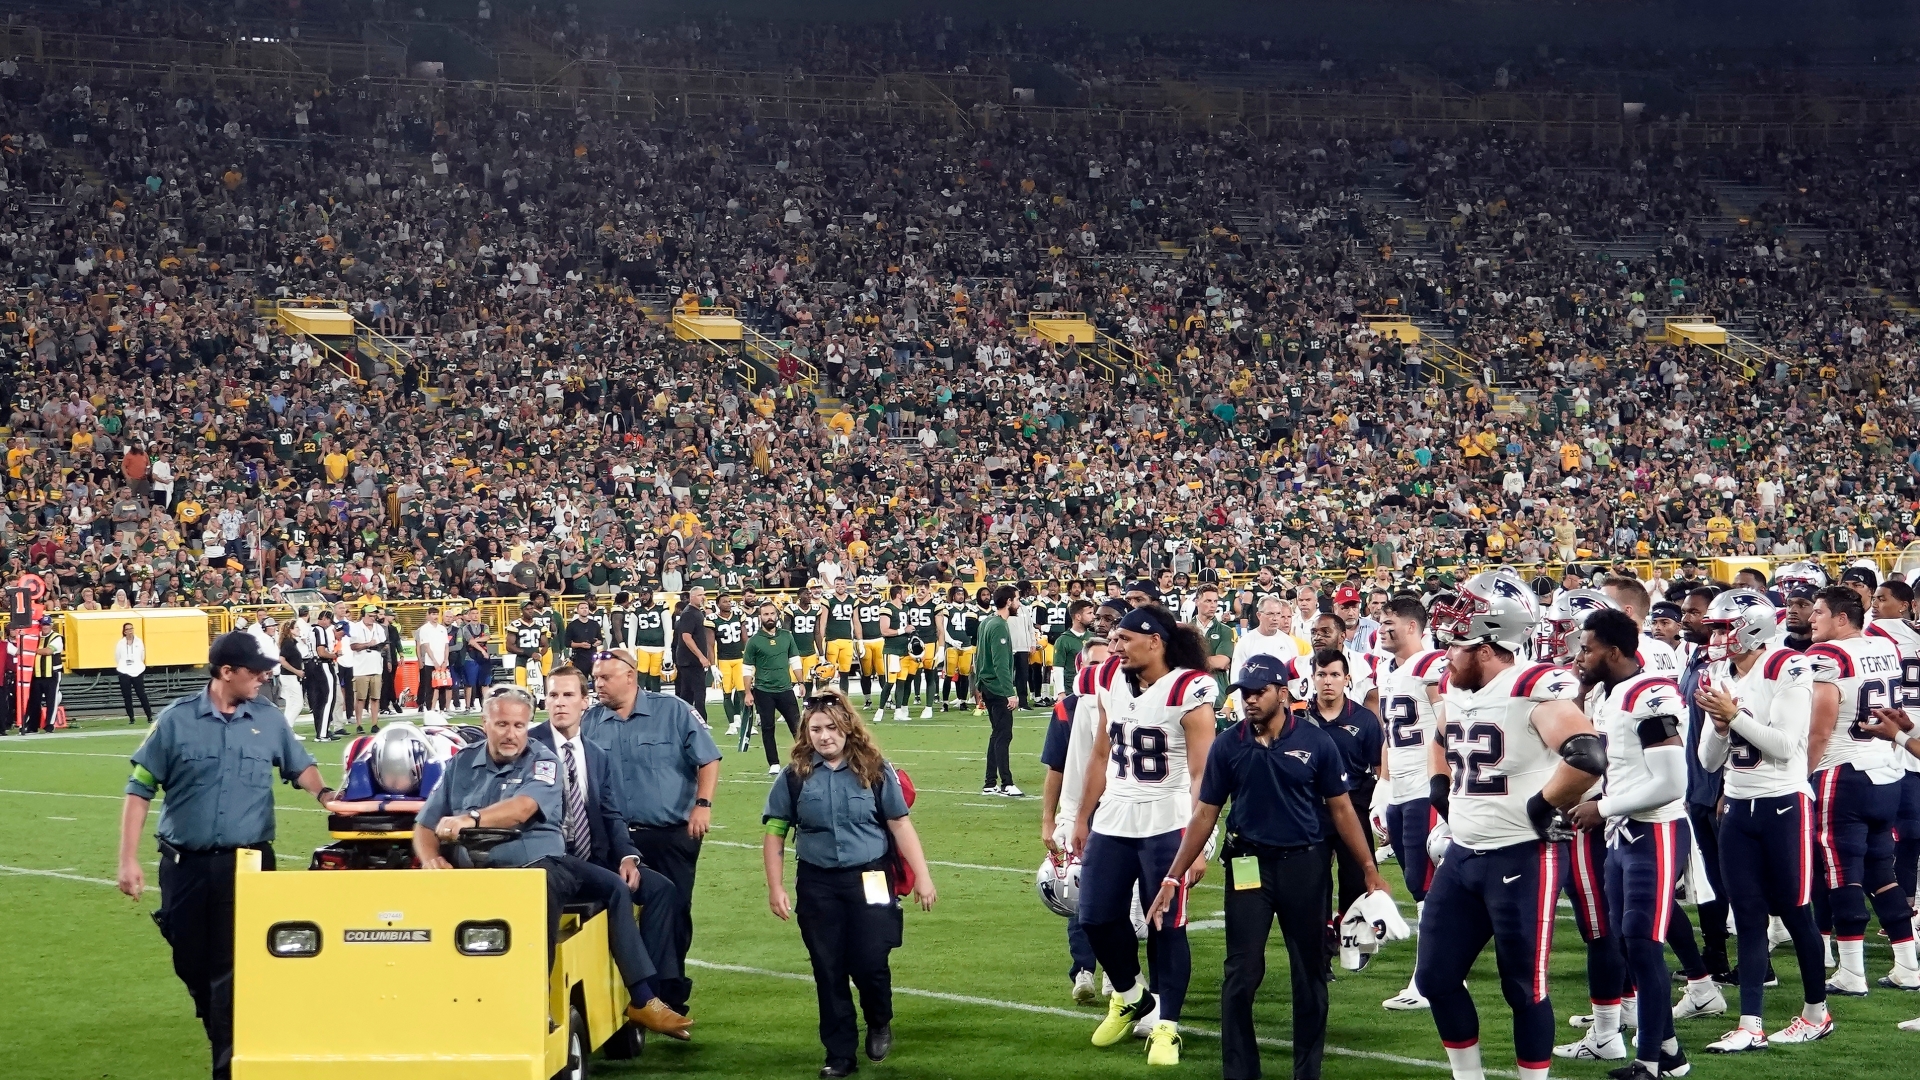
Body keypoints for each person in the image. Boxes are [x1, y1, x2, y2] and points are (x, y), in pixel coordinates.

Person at [1147, 653, 1389, 1080]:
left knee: (1309, 971)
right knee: (1242, 971)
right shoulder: (1228, 744)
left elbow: (1342, 811)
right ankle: (1240, 1073)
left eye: (1259, 691)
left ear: (1283, 692)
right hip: (1247, 865)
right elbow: (1205, 814)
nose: (1250, 700)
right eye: (1244, 693)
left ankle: (1306, 1072)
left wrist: (1368, 868)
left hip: (1304, 864)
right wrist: (1173, 874)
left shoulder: (1317, 743)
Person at [411, 687, 693, 1041]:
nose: (511, 733)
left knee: (576, 888)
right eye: (501, 724)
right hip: (472, 873)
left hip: (538, 864)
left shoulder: (543, 760)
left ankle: (564, 1000)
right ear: (484, 724)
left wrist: (470, 817)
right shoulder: (461, 763)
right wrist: (431, 857)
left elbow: (524, 807)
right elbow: (425, 824)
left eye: (519, 724)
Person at [116, 631, 336, 1080]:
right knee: (192, 964)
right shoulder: (176, 721)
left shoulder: (270, 719)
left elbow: (301, 766)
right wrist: (128, 859)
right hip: (186, 867)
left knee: (230, 972)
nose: (263, 677)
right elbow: (140, 787)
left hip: (249, 866)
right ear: (225, 672)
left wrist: (327, 794)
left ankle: (230, 1065)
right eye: (254, 671)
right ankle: (222, 1032)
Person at [1418, 571, 1606, 1080]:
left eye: (1458, 641)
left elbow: (1587, 754)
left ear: (1487, 645)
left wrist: (1544, 806)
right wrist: (1440, 786)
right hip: (1463, 854)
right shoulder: (1456, 685)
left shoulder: (1530, 687)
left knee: (1523, 986)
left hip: (1522, 856)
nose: (1448, 651)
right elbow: (1441, 737)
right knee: (1435, 977)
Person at [1069, 604, 1217, 1068]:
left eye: (1126, 639)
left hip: (1168, 819)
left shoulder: (1190, 687)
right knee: (1093, 915)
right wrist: (1080, 816)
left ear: (1155, 641)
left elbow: (1201, 773)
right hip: (1114, 816)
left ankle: (1168, 1027)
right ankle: (1132, 994)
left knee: (1165, 926)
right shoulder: (1110, 676)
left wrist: (1199, 840)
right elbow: (1099, 753)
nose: (1116, 647)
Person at [763, 690, 938, 1078]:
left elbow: (899, 823)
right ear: (805, 733)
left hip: (871, 877)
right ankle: (839, 1054)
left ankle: (879, 1019)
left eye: (831, 727)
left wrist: (923, 876)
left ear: (847, 728)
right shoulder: (794, 776)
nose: (824, 736)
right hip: (817, 882)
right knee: (828, 968)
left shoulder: (876, 769)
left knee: (871, 960)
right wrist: (775, 887)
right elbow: (775, 831)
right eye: (816, 729)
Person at [1693, 589, 1833, 1050]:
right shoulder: (1718, 671)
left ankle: (1817, 1013)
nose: (1714, 636)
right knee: (1748, 917)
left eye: (1721, 627)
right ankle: (1749, 1025)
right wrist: (1719, 727)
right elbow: (1709, 761)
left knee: (1796, 914)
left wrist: (1733, 715)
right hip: (1736, 806)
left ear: (1750, 627)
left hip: (1783, 805)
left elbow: (1786, 746)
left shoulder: (1787, 665)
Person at [1562, 608, 1694, 1079]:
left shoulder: (1650, 694)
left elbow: (1671, 781)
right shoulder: (1613, 693)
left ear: (1614, 652)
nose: (1581, 656)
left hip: (1654, 831)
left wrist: (1605, 806)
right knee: (1626, 941)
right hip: (1626, 834)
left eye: (1589, 647)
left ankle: (1650, 1063)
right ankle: (1671, 1054)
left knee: (1642, 944)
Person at [530, 664, 686, 997]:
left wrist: (629, 855)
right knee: (615, 888)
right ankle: (643, 997)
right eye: (553, 695)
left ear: (585, 702)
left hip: (596, 860)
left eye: (568, 695)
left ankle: (661, 992)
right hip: (553, 865)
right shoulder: (529, 747)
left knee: (661, 890)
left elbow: (612, 814)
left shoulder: (596, 754)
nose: (559, 702)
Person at [583, 646, 722, 1014]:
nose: (598, 685)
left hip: (669, 831)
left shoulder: (672, 710)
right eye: (596, 678)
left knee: (674, 911)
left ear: (630, 676)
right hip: (614, 838)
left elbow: (708, 758)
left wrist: (702, 805)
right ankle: (633, 994)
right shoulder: (590, 721)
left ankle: (670, 994)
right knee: (611, 915)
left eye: (605, 678)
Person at [1804, 584, 1916, 997]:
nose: (1812, 619)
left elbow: (1819, 731)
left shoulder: (1827, 657)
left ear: (1840, 618)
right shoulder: (1882, 646)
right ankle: (1907, 964)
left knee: (1841, 872)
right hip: (1886, 770)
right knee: (1881, 872)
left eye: (1818, 612)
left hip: (1842, 771)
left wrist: (1800, 778)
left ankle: (1851, 971)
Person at [1040, 598, 1122, 1003]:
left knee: (1124, 897)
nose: (1099, 672)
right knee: (1079, 891)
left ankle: (1115, 973)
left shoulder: (1127, 705)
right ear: (1080, 669)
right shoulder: (1067, 709)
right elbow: (1057, 770)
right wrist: (1048, 821)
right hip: (1081, 815)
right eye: (1092, 665)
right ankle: (1084, 969)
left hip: (1122, 814)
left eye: (1105, 665)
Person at [1374, 595, 1447, 1011]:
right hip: (1401, 788)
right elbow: (1389, 734)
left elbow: (1448, 722)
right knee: (1417, 885)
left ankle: (1428, 980)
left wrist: (1441, 779)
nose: (1384, 628)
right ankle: (1436, 973)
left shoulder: (1430, 663)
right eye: (1382, 622)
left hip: (1424, 786)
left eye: (1392, 622)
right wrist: (1382, 788)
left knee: (1427, 887)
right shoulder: (1390, 669)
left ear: (1414, 628)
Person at [1302, 647, 1383, 958]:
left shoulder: (1364, 720)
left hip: (1355, 808)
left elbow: (1379, 768)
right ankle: (1321, 946)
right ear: (1313, 678)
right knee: (1314, 881)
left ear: (1347, 679)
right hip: (1313, 812)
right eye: (1321, 675)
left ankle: (1352, 939)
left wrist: (1378, 810)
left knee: (1356, 877)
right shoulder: (1299, 720)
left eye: (1335, 675)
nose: (1328, 681)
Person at [744, 601, 806, 772]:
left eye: (772, 614)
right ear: (760, 617)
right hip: (763, 691)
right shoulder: (754, 641)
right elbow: (747, 669)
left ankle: (805, 758)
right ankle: (774, 763)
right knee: (767, 727)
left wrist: (801, 682)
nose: (769, 617)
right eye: (766, 614)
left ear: (777, 615)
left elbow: (795, 660)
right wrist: (748, 692)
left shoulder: (787, 636)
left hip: (786, 688)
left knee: (797, 726)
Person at [974, 584, 1023, 797]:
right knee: (1004, 735)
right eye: (1017, 599)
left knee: (996, 735)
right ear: (1009, 601)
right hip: (997, 688)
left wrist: (978, 686)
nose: (1019, 603)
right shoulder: (999, 626)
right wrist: (1010, 692)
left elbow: (979, 658)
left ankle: (989, 782)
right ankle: (1006, 783)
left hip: (987, 685)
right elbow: (1000, 663)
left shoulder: (986, 622)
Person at [1228, 597, 1303, 711]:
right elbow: (1236, 680)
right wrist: (1242, 714)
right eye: (1270, 614)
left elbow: (1295, 680)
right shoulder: (1245, 642)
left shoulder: (1289, 642)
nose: (1275, 618)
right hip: (1253, 705)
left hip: (1282, 708)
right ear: (1259, 615)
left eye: (1278, 614)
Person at [344, 606, 386, 734]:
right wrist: (368, 644)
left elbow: (385, 645)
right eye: (371, 615)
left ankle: (374, 723)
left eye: (374, 616)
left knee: (375, 697)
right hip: (361, 668)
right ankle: (359, 724)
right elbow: (353, 646)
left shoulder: (379, 628)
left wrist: (379, 647)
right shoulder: (356, 627)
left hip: (376, 667)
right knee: (360, 698)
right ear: (364, 615)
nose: (373, 618)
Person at [674, 586, 714, 715]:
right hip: (690, 660)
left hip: (688, 660)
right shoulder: (689, 613)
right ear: (691, 597)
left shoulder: (697, 612)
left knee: (687, 693)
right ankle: (701, 720)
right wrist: (701, 656)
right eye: (699, 595)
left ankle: (684, 719)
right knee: (698, 692)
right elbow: (686, 637)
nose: (702, 597)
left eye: (703, 594)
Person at [304, 610, 341, 739]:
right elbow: (321, 652)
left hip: (310, 665)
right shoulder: (320, 630)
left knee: (317, 701)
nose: (329, 624)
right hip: (322, 665)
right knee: (328, 699)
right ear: (325, 618)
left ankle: (320, 731)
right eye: (329, 621)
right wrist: (334, 655)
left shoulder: (310, 630)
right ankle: (323, 733)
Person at [24, 614, 62, 733]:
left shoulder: (57, 637)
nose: (45, 626)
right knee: (34, 701)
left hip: (52, 673)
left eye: (47, 624)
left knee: (52, 700)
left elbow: (48, 651)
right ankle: (32, 726)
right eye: (43, 624)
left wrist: (33, 650)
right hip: (37, 674)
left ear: (51, 625)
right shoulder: (37, 636)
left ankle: (50, 725)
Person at [115, 621, 155, 725]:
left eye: (131, 629)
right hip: (124, 671)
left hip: (137, 670)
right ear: (124, 632)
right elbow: (117, 657)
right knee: (127, 696)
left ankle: (149, 716)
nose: (130, 631)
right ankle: (131, 718)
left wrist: (136, 665)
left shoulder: (139, 642)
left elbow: (142, 656)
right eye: (128, 629)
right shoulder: (120, 643)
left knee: (141, 694)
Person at [415, 606, 452, 717]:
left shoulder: (442, 628)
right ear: (429, 615)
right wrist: (434, 661)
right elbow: (426, 646)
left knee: (443, 686)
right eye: (433, 614)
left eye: (436, 614)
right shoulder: (424, 629)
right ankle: (430, 711)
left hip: (443, 663)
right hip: (430, 663)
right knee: (430, 687)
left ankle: (442, 710)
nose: (435, 616)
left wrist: (445, 660)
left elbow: (446, 646)